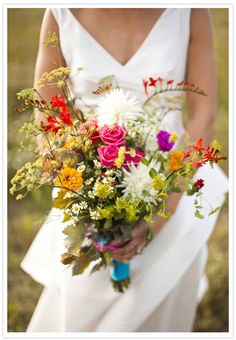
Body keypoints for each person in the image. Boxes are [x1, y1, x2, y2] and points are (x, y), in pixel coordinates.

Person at [20, 8, 228, 332]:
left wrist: (161, 214)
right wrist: (88, 196)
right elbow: (48, 117)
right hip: (89, 187)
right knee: (81, 311)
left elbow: (203, 115)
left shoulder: (189, 10)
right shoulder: (61, 11)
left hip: (172, 179)